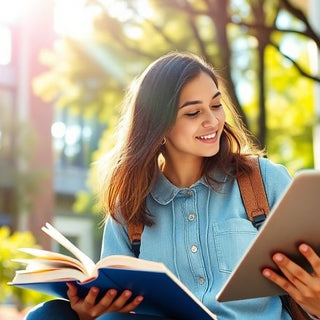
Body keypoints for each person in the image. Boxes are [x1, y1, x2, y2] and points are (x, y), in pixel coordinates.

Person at [25, 52, 320, 320]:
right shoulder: (131, 203)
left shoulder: (263, 180)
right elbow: (115, 298)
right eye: (193, 113)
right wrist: (91, 312)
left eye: (216, 105)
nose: (213, 120)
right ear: (159, 126)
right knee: (47, 316)